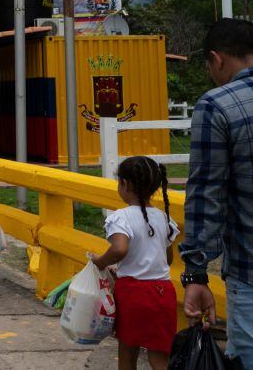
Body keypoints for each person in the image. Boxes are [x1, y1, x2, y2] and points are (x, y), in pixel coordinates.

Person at [180, 18, 253, 366]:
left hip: (252, 273)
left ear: (217, 58)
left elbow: (205, 196)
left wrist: (196, 273)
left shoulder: (218, 105)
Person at [91, 156, 177, 370]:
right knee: (160, 357)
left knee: (128, 354)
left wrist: (100, 262)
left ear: (125, 184)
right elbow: (168, 259)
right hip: (163, 292)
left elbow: (120, 249)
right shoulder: (164, 218)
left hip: (133, 293)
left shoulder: (122, 217)